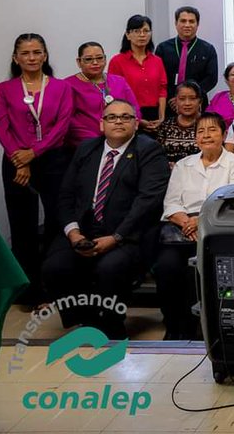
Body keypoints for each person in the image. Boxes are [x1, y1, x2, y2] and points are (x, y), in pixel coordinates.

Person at [43, 99, 168, 337]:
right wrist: (73, 232)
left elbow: (147, 202)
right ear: (102, 125)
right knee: (54, 267)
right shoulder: (86, 149)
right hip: (84, 230)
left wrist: (116, 237)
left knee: (110, 268)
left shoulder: (149, 150)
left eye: (126, 117)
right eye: (111, 117)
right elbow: (66, 195)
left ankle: (111, 322)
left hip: (127, 233)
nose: (118, 121)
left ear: (135, 124)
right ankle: (87, 318)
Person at [0, 34, 73, 301]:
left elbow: (62, 125)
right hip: (15, 161)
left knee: (55, 221)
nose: (31, 58)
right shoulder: (4, 89)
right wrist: (20, 158)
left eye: (37, 52)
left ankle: (51, 285)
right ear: (16, 58)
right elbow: (0, 125)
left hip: (52, 159)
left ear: (45, 55)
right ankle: (27, 290)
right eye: (25, 53)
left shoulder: (61, 87)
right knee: (22, 225)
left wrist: (33, 153)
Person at [157, 111, 234, 338]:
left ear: (223, 134)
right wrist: (187, 222)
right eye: (201, 131)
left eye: (212, 130)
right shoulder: (183, 165)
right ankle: (174, 327)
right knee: (166, 267)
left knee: (196, 272)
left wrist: (201, 221)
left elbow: (233, 202)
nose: (206, 135)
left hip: (218, 229)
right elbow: (171, 203)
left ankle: (198, 330)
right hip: (182, 230)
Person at [65, 42, 140, 147]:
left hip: (123, 141)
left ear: (105, 59)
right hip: (87, 144)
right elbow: (68, 120)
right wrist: (100, 140)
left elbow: (134, 109)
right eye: (88, 59)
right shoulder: (68, 85)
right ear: (79, 62)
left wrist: (124, 133)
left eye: (99, 58)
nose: (95, 62)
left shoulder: (119, 81)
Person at [108, 14, 167, 132]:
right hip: (128, 115)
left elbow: (162, 90)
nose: (142, 35)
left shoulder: (157, 61)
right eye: (137, 31)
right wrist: (137, 119)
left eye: (146, 31)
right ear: (128, 35)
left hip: (155, 115)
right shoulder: (117, 61)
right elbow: (115, 93)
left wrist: (161, 117)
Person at [157, 6, 218, 107]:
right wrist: (175, 98)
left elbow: (211, 79)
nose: (187, 25)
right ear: (176, 23)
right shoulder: (163, 48)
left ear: (197, 24)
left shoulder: (208, 49)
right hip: (169, 103)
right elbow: (159, 78)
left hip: (197, 102)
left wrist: (192, 97)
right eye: (183, 21)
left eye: (191, 21)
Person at [156, 80, 205, 165]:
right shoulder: (166, 125)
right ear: (176, 101)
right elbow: (157, 155)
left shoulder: (207, 124)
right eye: (182, 99)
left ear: (200, 101)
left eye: (192, 99)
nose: (187, 103)